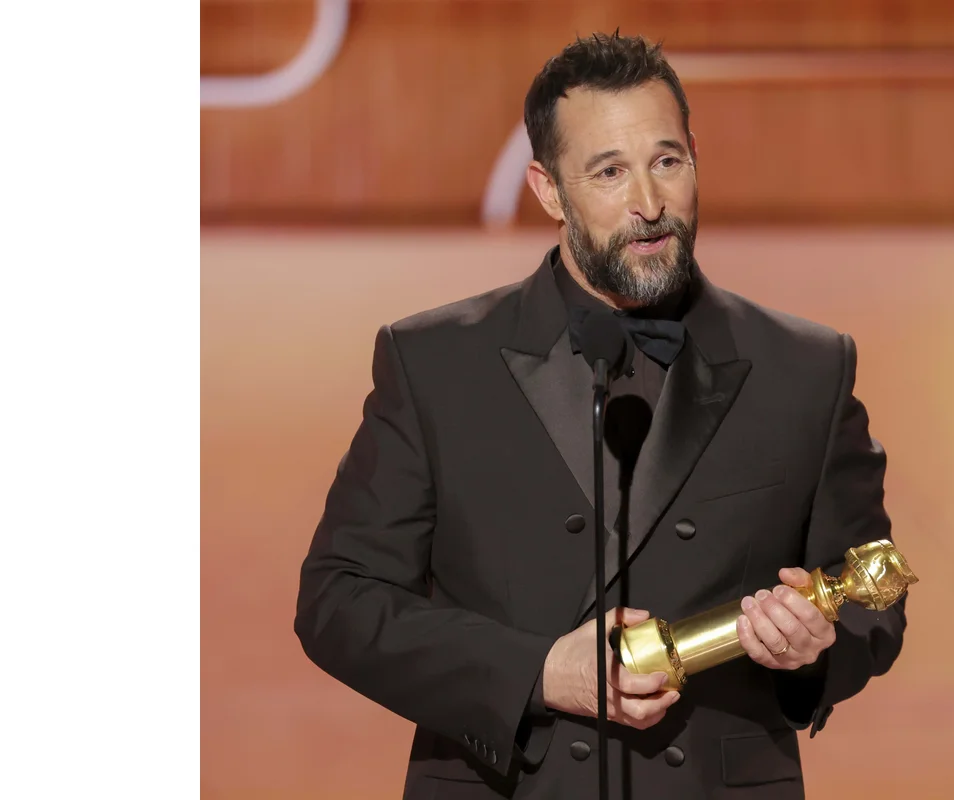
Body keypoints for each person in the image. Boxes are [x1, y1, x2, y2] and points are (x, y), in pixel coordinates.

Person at [294, 31, 907, 800]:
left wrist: (813, 651)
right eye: (609, 172)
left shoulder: (806, 368)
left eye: (666, 162)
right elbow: (340, 601)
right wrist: (540, 672)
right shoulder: (434, 364)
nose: (649, 205)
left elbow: (873, 602)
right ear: (549, 190)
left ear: (695, 158)